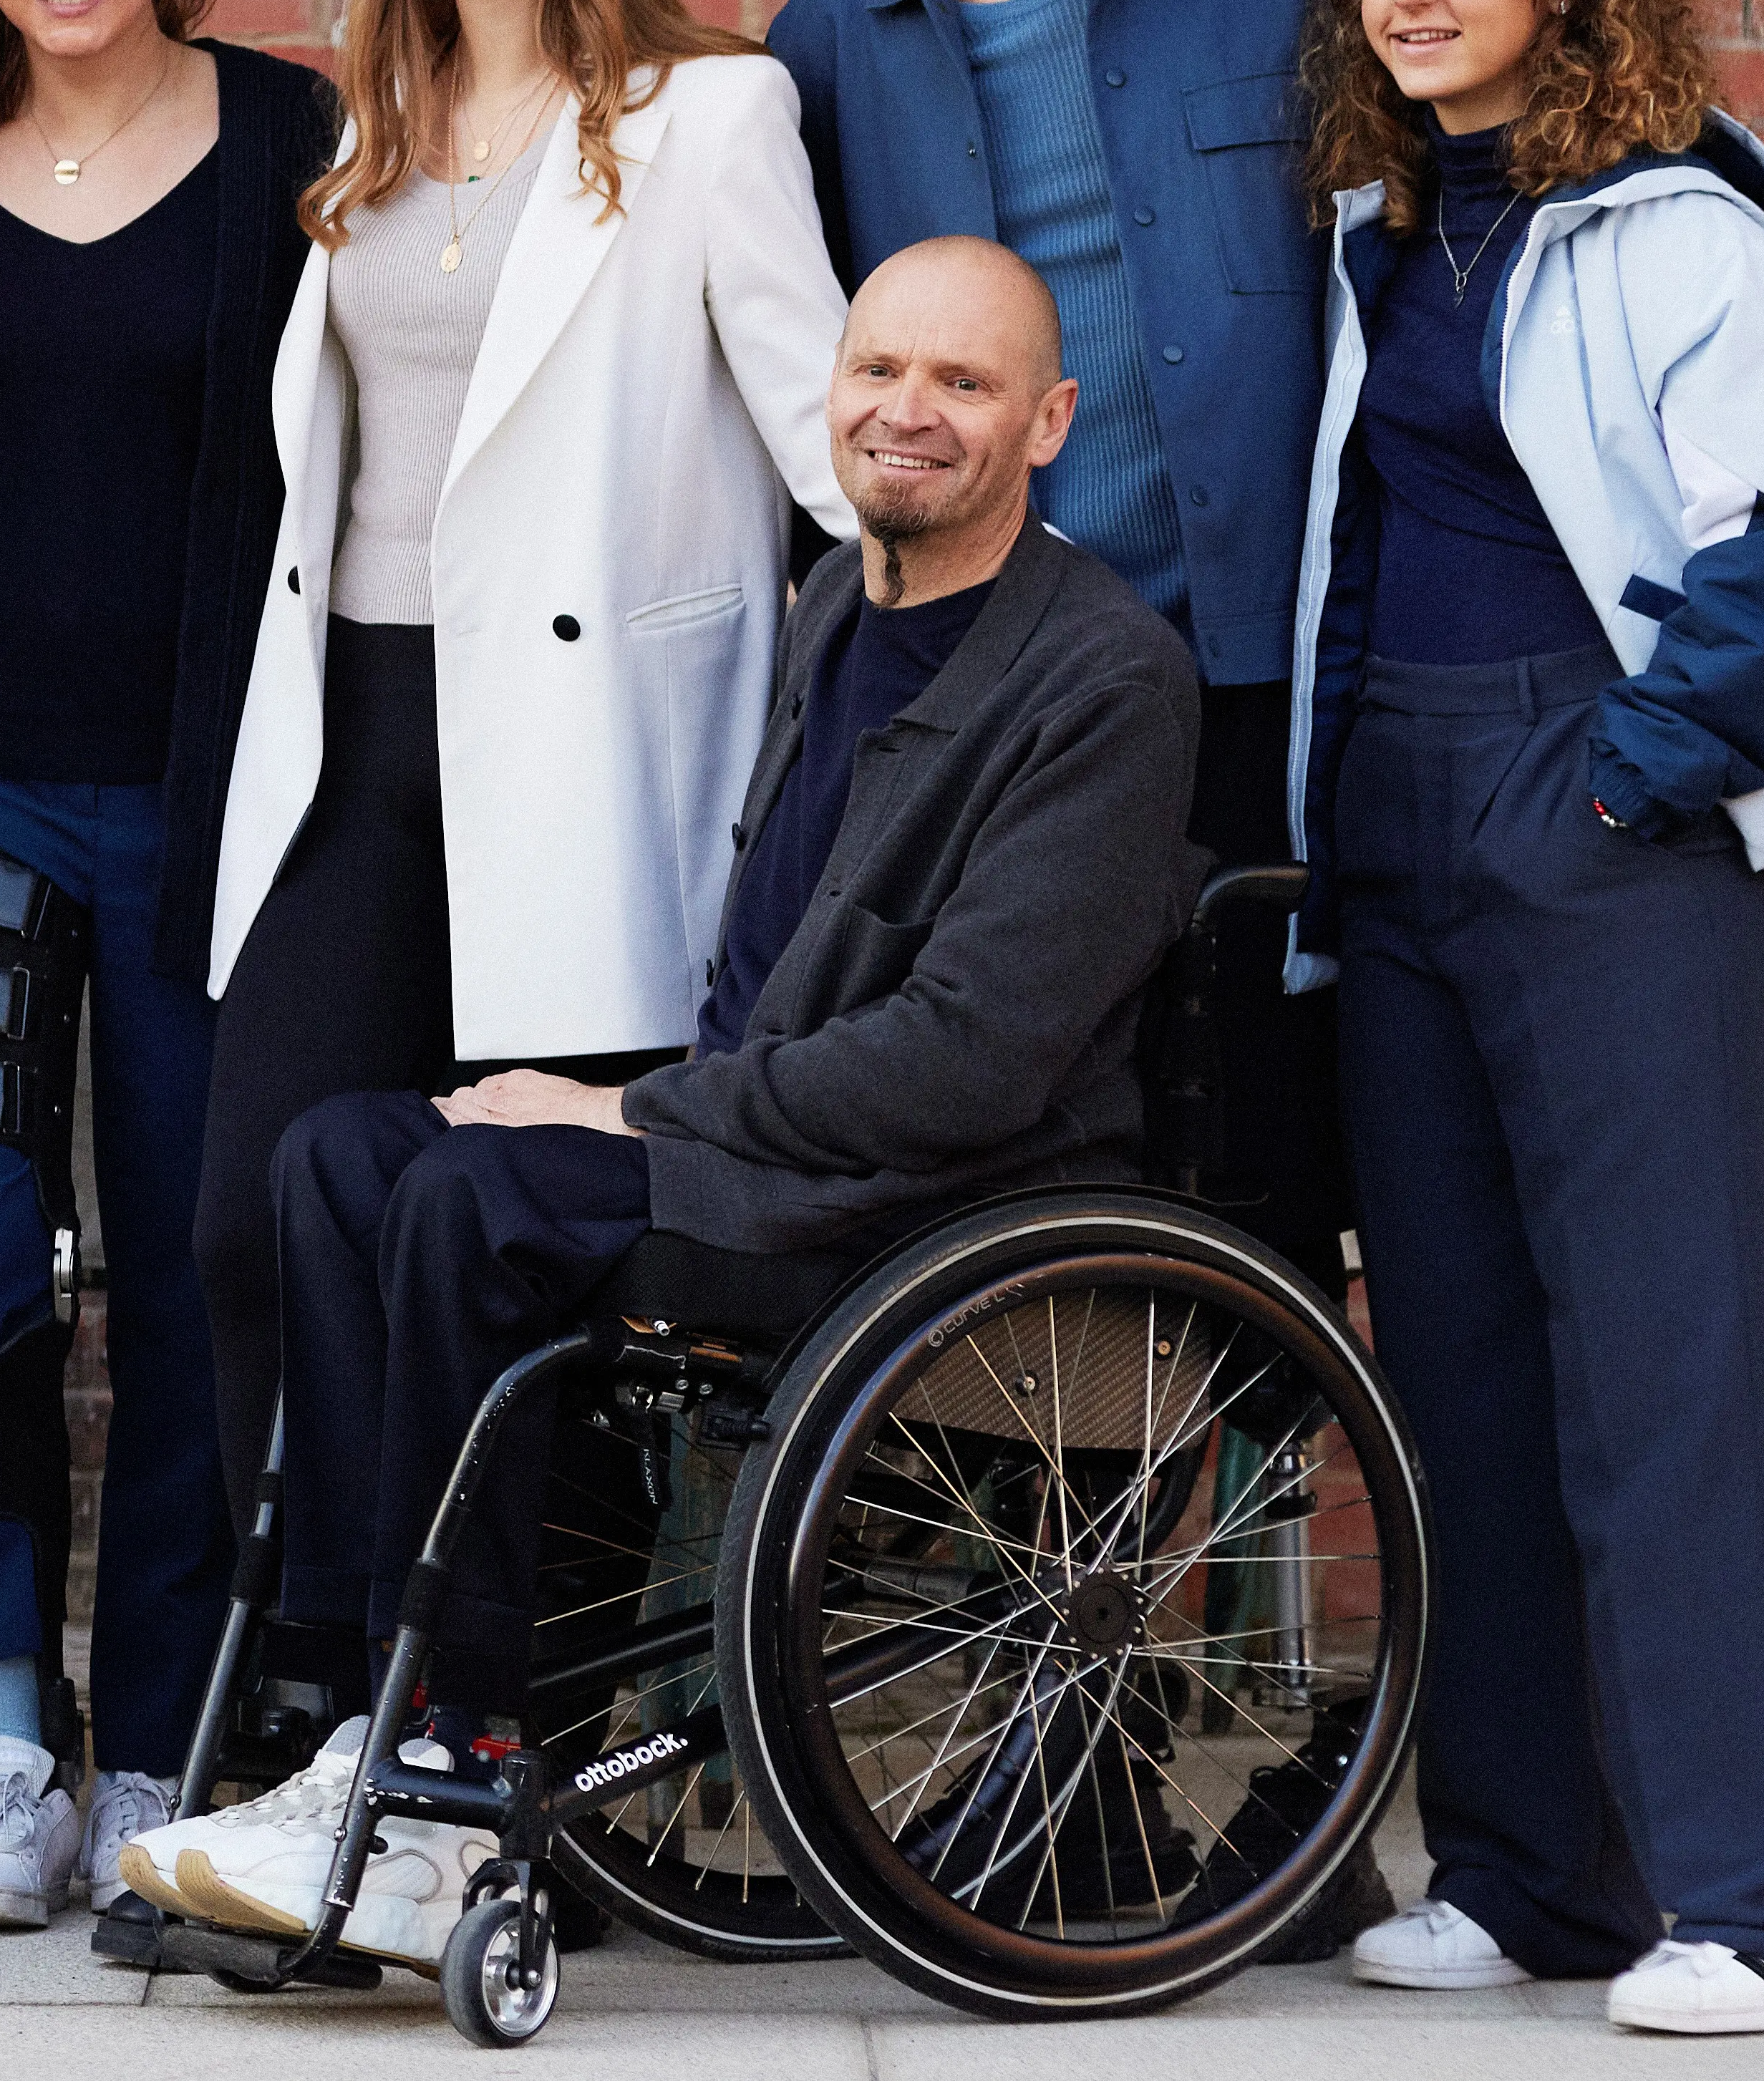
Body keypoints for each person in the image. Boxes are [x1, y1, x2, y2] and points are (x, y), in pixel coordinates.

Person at [117, 237, 1201, 1966]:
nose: (904, 413)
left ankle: (457, 1776)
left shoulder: (1101, 678)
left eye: (963, 384)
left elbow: (973, 1062)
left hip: (925, 1208)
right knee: (331, 1159)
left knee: (478, 1195)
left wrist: (633, 1120)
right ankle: (359, 1724)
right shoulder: (839, 603)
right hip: (759, 1151)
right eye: (876, 373)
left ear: (1049, 420)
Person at [1285, 0, 1764, 2036]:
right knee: (1456, 1368)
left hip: (1608, 811)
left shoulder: (1683, 234)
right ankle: (1538, 1871)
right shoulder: (1382, 231)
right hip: (1404, 829)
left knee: (1653, 1376)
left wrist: (1627, 783)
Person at [191, 0, 853, 1546]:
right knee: (255, 1212)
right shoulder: (363, 138)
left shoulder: (708, 116)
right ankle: (329, 1696)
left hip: (578, 767)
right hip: (351, 741)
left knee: (529, 1253)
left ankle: (516, 1738)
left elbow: (827, 458)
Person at [0, 0, 339, 1933]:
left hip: (198, 789)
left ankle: (158, 1736)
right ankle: (3, 1751)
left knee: (185, 1268)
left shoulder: (282, 141)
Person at [762, 0, 1356, 1317]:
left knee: (1270, 1178)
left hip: (1260, 685)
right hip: (990, 711)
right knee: (1006, 1176)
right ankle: (1022, 1590)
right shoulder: (832, 35)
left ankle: (1243, 1598)